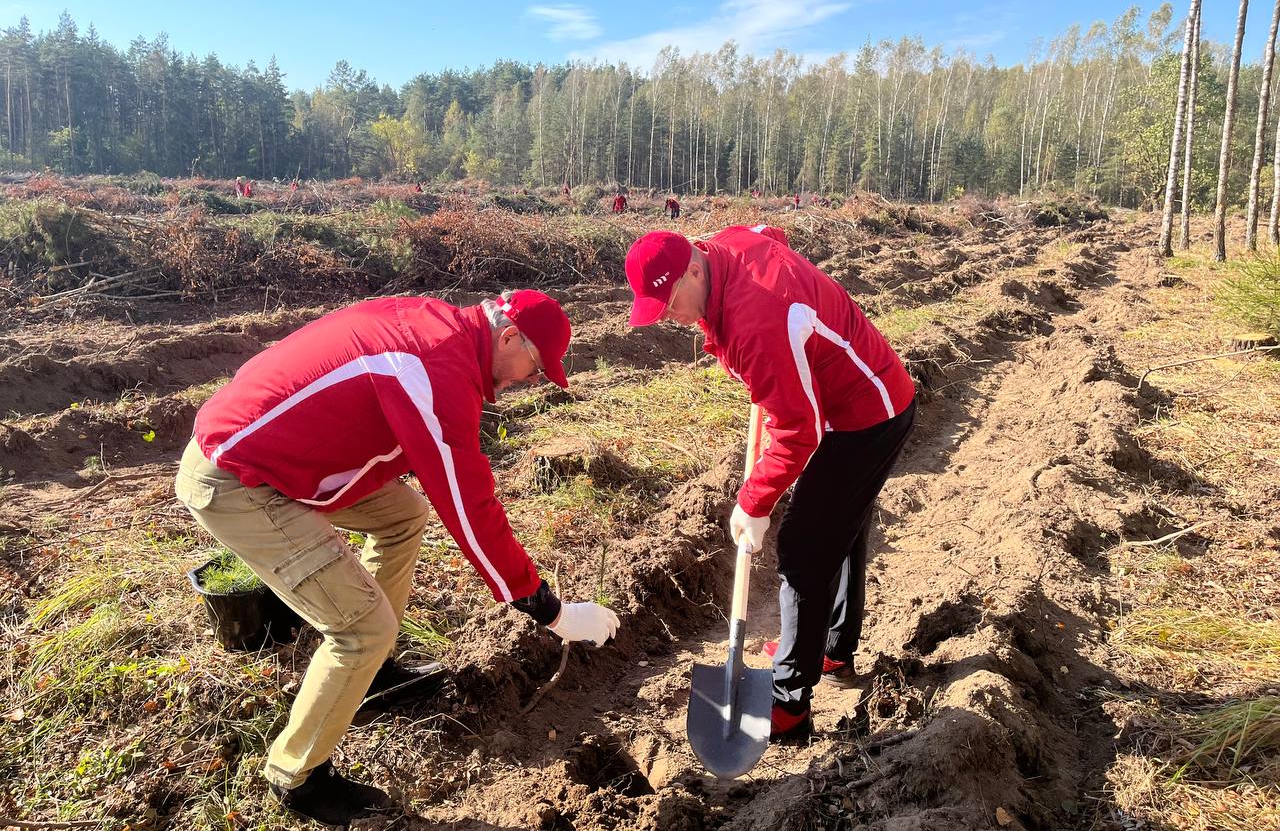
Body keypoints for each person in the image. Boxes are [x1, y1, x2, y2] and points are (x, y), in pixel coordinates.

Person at [174, 290, 619, 826]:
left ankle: (372, 677)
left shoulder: (440, 330)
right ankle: (297, 776)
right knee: (362, 628)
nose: (532, 382)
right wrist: (551, 610)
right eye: (537, 368)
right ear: (508, 338)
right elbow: (468, 506)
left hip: (281, 449)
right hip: (239, 475)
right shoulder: (434, 369)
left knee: (402, 515)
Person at [624, 227, 914, 742]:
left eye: (668, 303)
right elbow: (767, 234)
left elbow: (798, 429)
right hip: (843, 399)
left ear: (695, 269)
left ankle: (788, 704)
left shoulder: (757, 322)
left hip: (867, 415)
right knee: (838, 526)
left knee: (804, 547)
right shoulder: (723, 248)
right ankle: (831, 649)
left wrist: (754, 502)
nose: (667, 317)